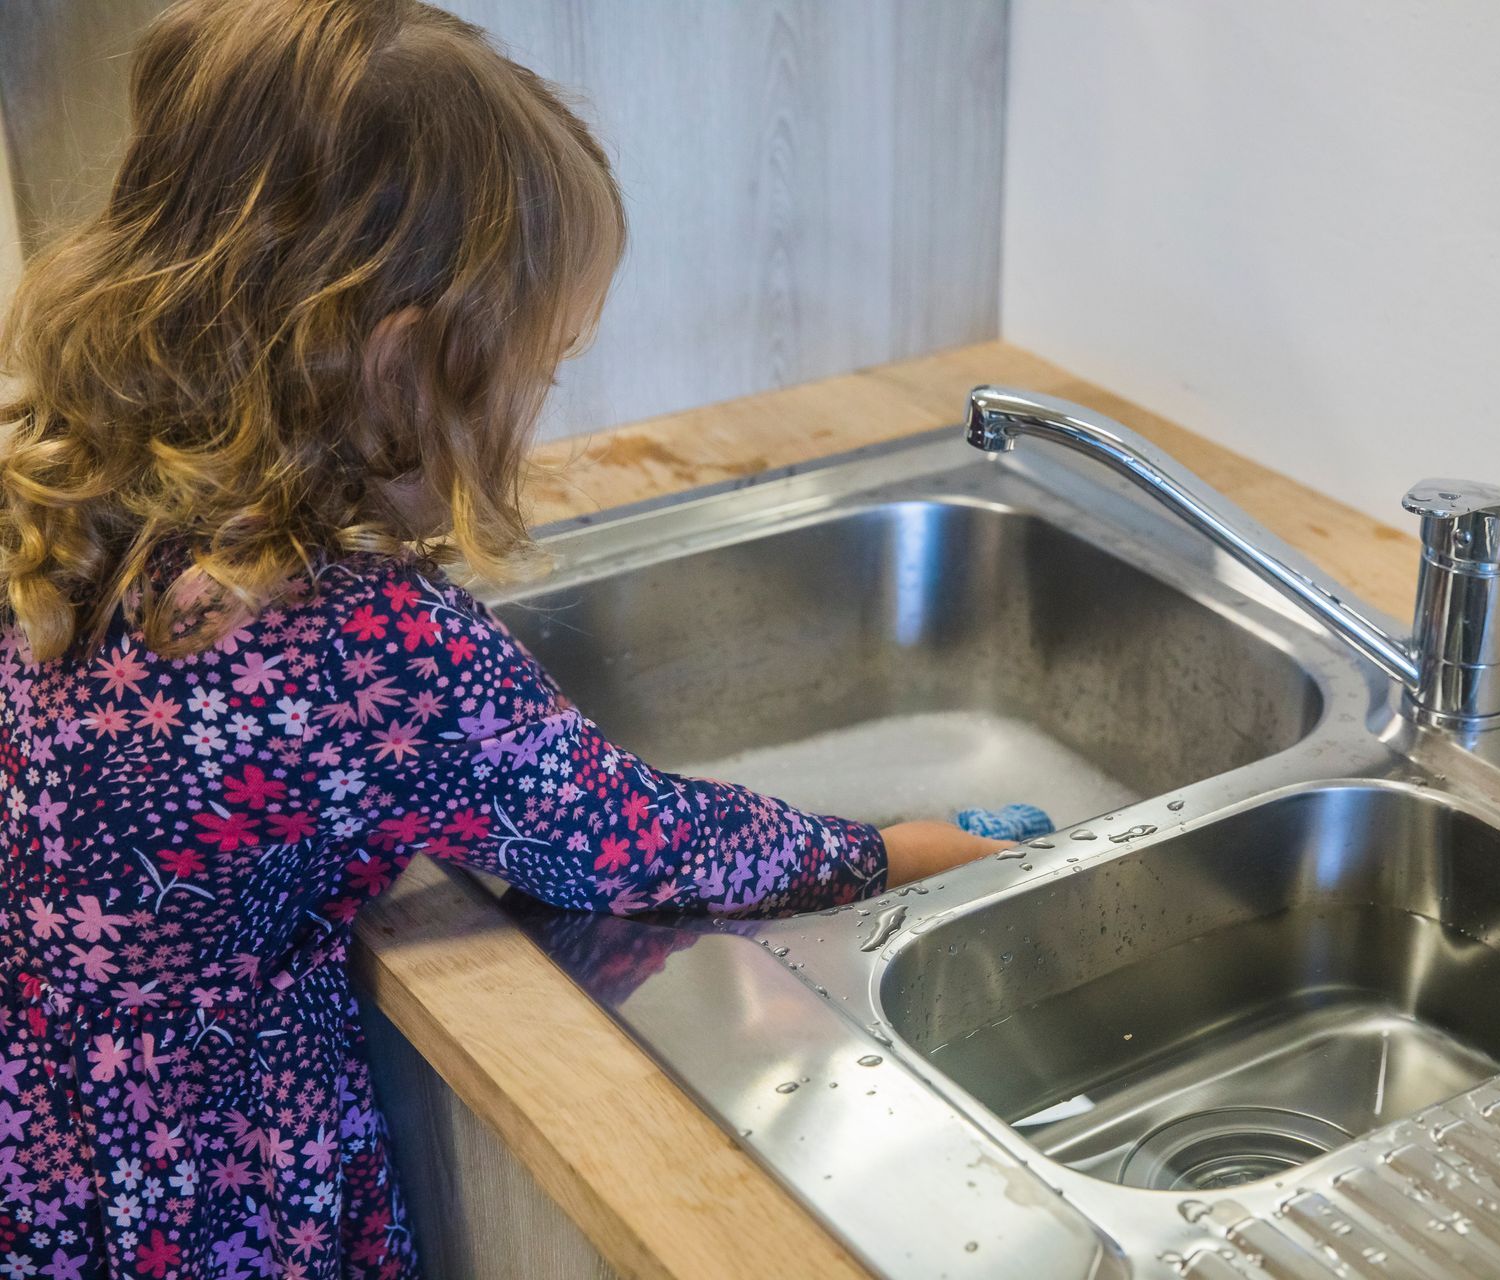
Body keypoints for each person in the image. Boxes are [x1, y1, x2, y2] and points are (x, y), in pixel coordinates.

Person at [0, 1, 1002, 1274]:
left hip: (54, 1123)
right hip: (218, 1181)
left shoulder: (72, 473)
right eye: (542, 360)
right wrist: (888, 848)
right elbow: (624, 834)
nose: (540, 400)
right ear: (403, 363)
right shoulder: (369, 648)